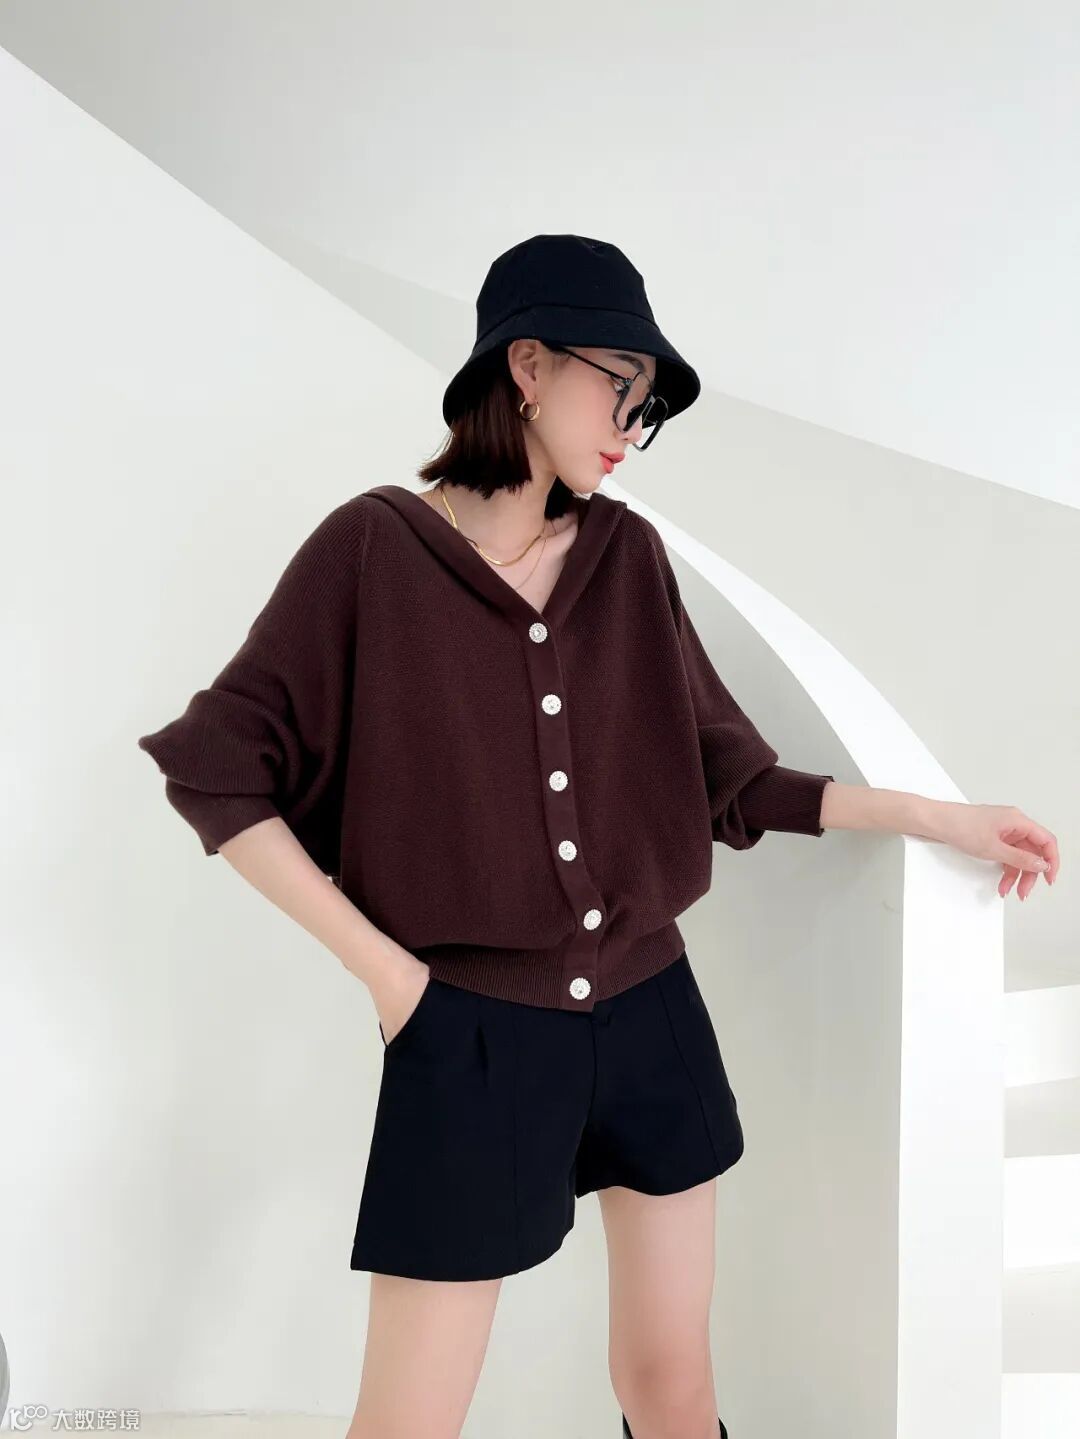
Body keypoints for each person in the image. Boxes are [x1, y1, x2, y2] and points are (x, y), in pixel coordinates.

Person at [137, 234, 1060, 1439]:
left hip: (651, 1011)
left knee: (673, 1390)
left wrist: (935, 816)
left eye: (649, 407)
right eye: (620, 385)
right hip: (468, 1033)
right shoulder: (371, 550)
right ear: (526, 365)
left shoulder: (627, 556)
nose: (633, 425)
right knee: (408, 1420)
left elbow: (726, 771)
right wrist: (394, 980)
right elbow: (215, 767)